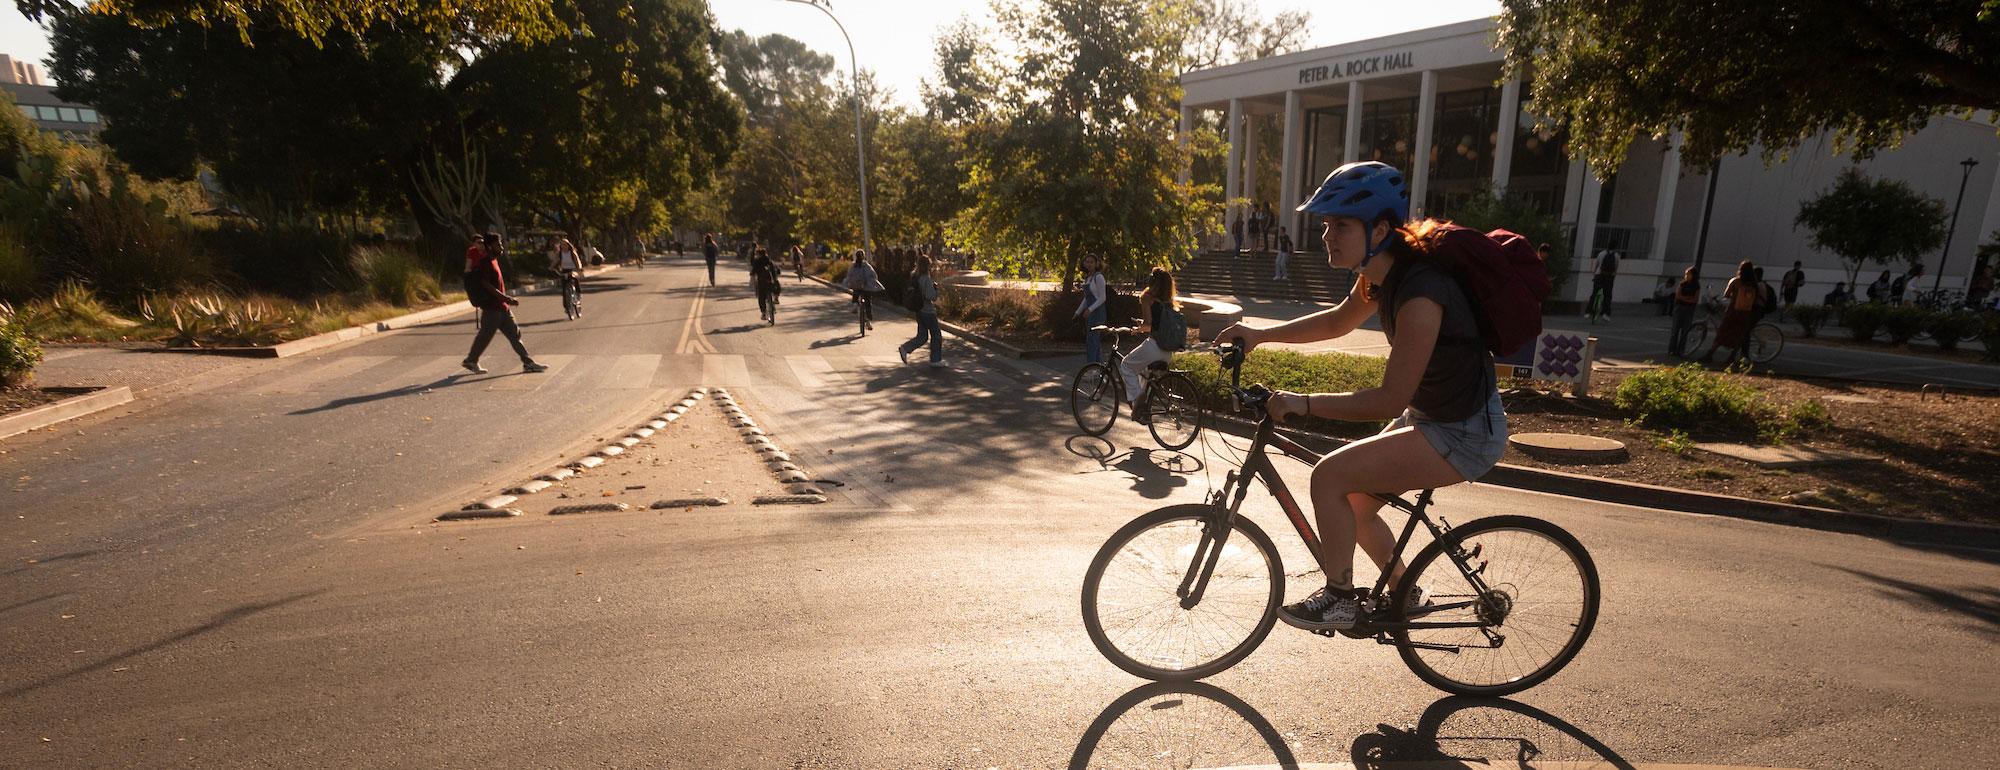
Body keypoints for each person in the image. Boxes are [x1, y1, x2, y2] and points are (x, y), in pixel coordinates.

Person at [1215, 161, 1506, 631]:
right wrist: (1259, 334)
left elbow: (1388, 401)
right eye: (1326, 224)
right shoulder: (1379, 276)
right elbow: (1336, 321)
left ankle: (1340, 598)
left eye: (1341, 225)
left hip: (1464, 432)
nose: (1328, 235)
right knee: (1352, 504)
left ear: (1381, 229)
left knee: (1329, 477)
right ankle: (1406, 591)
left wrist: (1304, 402)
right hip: (1431, 416)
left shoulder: (1421, 294)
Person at [462, 232, 548, 374]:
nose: (501, 247)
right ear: (490, 246)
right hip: (492, 309)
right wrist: (506, 298)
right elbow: (485, 284)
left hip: (502, 308)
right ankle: (471, 360)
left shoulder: (494, 260)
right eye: (498, 244)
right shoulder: (485, 262)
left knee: (514, 335)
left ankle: (528, 363)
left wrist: (505, 301)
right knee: (484, 337)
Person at [1118, 267, 1185, 424]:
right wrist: (1143, 325)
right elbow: (1155, 324)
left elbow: (1148, 325)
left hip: (1154, 346)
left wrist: (1137, 329)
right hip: (1167, 352)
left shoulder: (1147, 297)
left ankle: (1137, 403)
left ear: (1151, 281)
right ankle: (1143, 410)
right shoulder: (1168, 301)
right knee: (1145, 376)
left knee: (1126, 365)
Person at [1707, 260, 1758, 366]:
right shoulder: (1754, 284)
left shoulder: (1735, 281)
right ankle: (1731, 357)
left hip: (1733, 311)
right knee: (1739, 335)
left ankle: (1710, 354)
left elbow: (1726, 295)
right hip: (1745, 313)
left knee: (1723, 332)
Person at [898, 254, 944, 367]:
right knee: (936, 335)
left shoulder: (915, 277)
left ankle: (906, 348)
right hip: (928, 311)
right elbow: (931, 296)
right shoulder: (926, 279)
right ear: (928, 266)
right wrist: (936, 290)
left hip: (919, 310)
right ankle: (935, 360)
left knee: (922, 336)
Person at [1074, 254, 1109, 363]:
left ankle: (1091, 368)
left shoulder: (1098, 277)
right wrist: (1077, 312)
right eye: (1087, 262)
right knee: (1093, 342)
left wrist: (1090, 309)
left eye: (1091, 262)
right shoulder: (1088, 278)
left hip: (1097, 313)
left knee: (1093, 341)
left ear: (1096, 264)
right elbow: (1086, 298)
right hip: (1089, 314)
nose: (1089, 264)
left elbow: (1102, 297)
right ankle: (1099, 367)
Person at [843, 249, 885, 334]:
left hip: (856, 286)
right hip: (866, 288)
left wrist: (849, 282)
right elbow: (874, 275)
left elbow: (849, 275)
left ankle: (855, 304)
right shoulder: (867, 265)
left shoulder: (853, 266)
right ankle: (868, 321)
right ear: (864, 256)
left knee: (855, 292)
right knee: (868, 302)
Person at [1668, 266, 1702, 357]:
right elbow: (1678, 296)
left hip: (1689, 309)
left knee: (1685, 331)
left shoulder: (1696, 286)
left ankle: (1681, 350)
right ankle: (1672, 350)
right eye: (1686, 274)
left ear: (1693, 275)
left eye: (1688, 274)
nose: (1686, 276)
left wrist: (1686, 299)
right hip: (1679, 307)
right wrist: (1687, 298)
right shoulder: (1682, 284)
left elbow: (1695, 299)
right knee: (1675, 330)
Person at [548, 237, 584, 316]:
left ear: (568, 245)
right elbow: (555, 261)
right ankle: (567, 306)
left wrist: (579, 268)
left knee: (575, 280)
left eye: (565, 245)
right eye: (562, 245)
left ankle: (578, 295)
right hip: (564, 270)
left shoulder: (572, 253)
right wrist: (551, 267)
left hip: (573, 269)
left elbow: (577, 261)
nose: (564, 246)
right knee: (565, 289)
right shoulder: (560, 253)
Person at [750, 247, 782, 324]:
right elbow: (778, 271)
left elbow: (753, 272)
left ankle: (764, 313)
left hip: (762, 282)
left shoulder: (757, 261)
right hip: (772, 282)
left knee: (761, 297)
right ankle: (776, 297)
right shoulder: (770, 261)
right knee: (777, 286)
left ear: (759, 254)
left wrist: (752, 277)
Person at [1589, 248, 1619, 317]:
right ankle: (1605, 313)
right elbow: (1615, 268)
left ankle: (1588, 312)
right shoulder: (1616, 255)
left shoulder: (1601, 253)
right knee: (1607, 296)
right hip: (1609, 277)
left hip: (1599, 275)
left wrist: (1594, 275)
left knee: (1594, 293)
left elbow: (1596, 265)